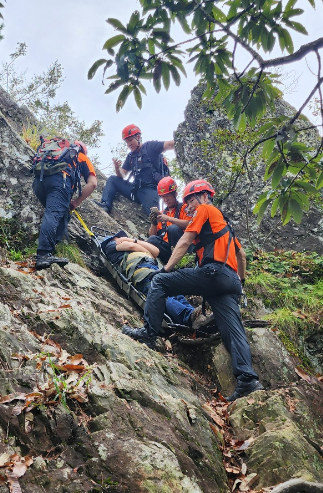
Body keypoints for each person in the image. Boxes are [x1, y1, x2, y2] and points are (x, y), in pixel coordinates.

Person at [122, 179, 264, 401]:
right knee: (232, 330)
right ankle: (248, 380)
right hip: (230, 281)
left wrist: (166, 269)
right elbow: (241, 256)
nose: (189, 205)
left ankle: (149, 334)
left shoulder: (205, 209)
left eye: (191, 199)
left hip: (213, 273)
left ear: (205, 196)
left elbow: (185, 240)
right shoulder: (224, 223)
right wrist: (241, 282)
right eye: (186, 201)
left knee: (160, 282)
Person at [101, 230, 208, 342]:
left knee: (175, 293)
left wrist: (134, 240)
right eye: (120, 237)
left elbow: (156, 251)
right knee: (160, 295)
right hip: (141, 271)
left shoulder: (127, 244)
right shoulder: (110, 245)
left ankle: (196, 315)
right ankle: (188, 316)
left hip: (152, 269)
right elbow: (133, 247)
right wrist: (140, 248)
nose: (123, 238)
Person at [32, 138, 97, 270]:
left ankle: (52, 249)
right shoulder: (82, 156)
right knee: (53, 214)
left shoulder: (53, 152)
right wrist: (76, 202)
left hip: (39, 181)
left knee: (60, 215)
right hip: (60, 180)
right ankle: (43, 254)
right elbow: (93, 183)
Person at [99, 125, 174, 215]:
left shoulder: (150, 147)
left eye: (131, 140)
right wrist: (117, 168)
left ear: (138, 137)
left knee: (155, 218)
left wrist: (181, 139)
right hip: (135, 190)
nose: (129, 144)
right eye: (127, 142)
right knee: (112, 179)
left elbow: (169, 144)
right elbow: (122, 175)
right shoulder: (131, 157)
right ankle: (105, 205)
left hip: (150, 191)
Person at [147, 176, 191, 264]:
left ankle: (183, 262)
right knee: (152, 240)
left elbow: (190, 223)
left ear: (175, 194)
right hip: (168, 251)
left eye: (168, 196)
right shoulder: (162, 213)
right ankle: (170, 264)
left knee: (173, 229)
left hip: (184, 247)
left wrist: (169, 219)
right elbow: (152, 236)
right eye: (163, 197)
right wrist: (154, 223)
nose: (165, 199)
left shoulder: (185, 208)